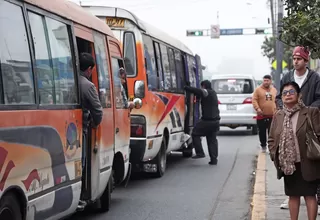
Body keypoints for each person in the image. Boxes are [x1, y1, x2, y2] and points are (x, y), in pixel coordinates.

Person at [275, 46, 320, 210]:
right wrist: (283, 109)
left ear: (306, 60)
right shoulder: (287, 76)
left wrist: (306, 111)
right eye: (294, 58)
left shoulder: (314, 78)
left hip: (309, 125)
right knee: (291, 163)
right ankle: (291, 197)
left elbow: (318, 99)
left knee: (310, 162)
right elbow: (279, 97)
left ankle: (315, 197)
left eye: (299, 58)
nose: (295, 61)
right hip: (289, 125)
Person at [268, 81, 320, 220]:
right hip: (289, 164)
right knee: (293, 195)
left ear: (299, 95)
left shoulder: (310, 112)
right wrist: (275, 154)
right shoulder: (278, 115)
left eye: (291, 92)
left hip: (308, 161)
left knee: (310, 195)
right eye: (285, 93)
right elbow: (272, 138)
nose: (288, 95)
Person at [184, 80, 220, 165]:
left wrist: (186, 87)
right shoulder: (214, 93)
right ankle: (214, 159)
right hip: (216, 121)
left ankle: (200, 152)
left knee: (195, 133)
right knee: (212, 140)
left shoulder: (206, 91)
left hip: (207, 121)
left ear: (204, 86)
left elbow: (198, 91)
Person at [252, 75, 277, 152]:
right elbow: (254, 100)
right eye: (264, 80)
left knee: (271, 132)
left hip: (272, 115)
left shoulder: (274, 90)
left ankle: (271, 147)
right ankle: (263, 146)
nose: (266, 82)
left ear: (270, 81)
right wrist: (257, 109)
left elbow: (277, 100)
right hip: (261, 115)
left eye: (267, 80)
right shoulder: (258, 90)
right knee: (262, 132)